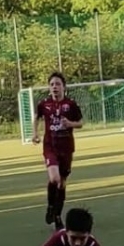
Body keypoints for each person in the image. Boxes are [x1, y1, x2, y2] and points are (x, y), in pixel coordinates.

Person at [32, 72, 83, 230]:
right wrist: (35, 134)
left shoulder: (71, 104)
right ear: (49, 87)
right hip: (50, 147)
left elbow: (80, 122)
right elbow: (37, 117)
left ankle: (57, 215)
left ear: (63, 87)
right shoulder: (44, 104)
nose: (55, 87)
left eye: (58, 84)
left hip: (66, 148)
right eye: (52, 84)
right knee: (54, 178)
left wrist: (70, 124)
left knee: (62, 183)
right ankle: (50, 206)